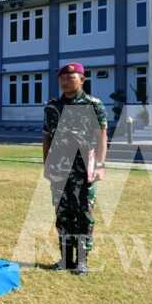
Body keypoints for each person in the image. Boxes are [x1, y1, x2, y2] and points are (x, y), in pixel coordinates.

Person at [42, 62, 108, 275]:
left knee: (84, 214)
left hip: (83, 170)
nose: (65, 81)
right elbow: (47, 137)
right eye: (62, 78)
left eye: (71, 78)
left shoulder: (93, 104)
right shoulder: (52, 107)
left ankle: (82, 260)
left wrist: (99, 164)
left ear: (82, 80)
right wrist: (47, 164)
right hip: (59, 169)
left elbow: (101, 137)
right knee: (62, 214)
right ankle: (65, 259)